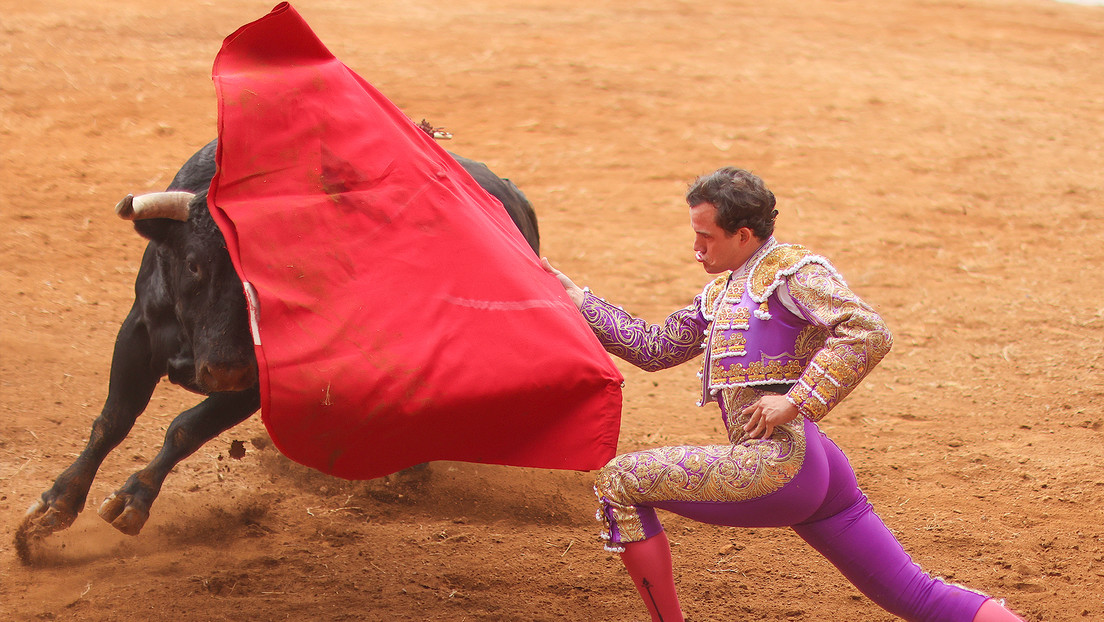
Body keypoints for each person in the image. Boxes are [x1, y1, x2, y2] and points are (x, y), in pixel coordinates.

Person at [542, 167, 1024, 622]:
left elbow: (868, 331)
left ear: (743, 236)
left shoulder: (792, 273)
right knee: (913, 594)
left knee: (619, 482)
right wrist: (580, 300)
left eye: (706, 236)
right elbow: (655, 348)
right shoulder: (723, 292)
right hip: (815, 467)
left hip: (782, 462)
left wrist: (798, 399)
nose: (696, 247)